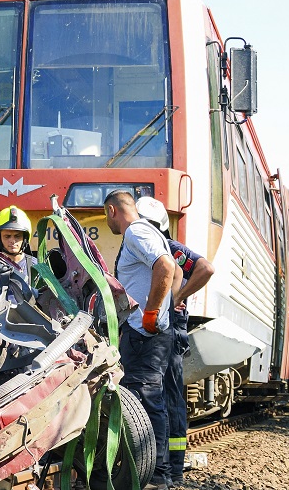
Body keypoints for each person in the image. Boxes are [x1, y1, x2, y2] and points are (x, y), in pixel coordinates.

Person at [137, 196, 215, 486]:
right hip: (156, 326)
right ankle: (163, 466)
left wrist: (178, 297)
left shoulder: (169, 249)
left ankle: (172, 468)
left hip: (168, 326)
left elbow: (206, 268)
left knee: (168, 394)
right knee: (161, 394)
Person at [103, 190, 175, 489]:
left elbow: (167, 266)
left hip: (145, 335)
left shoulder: (135, 232)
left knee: (145, 400)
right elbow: (176, 269)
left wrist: (152, 312)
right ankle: (155, 474)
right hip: (145, 333)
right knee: (147, 400)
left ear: (111, 211)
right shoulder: (148, 231)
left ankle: (156, 477)